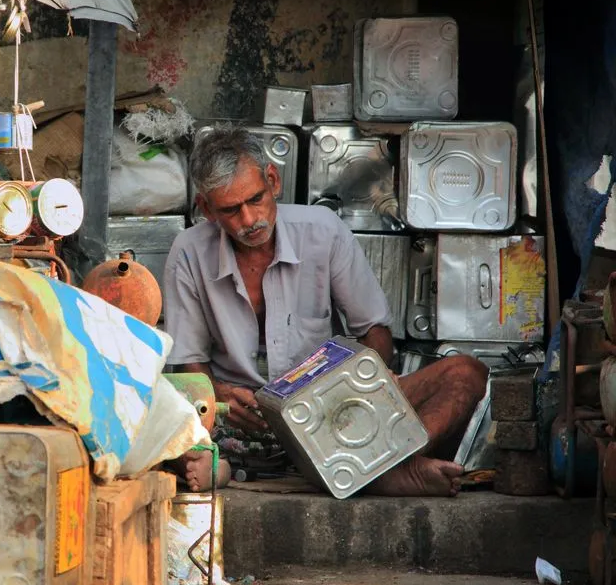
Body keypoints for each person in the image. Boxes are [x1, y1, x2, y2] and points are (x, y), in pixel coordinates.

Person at [164, 124, 488, 497]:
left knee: (466, 372)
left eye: (255, 199)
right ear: (206, 209)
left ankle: (400, 462)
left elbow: (375, 333)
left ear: (273, 180)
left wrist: (361, 384)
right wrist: (220, 395)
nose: (250, 220)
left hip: (332, 411)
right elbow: (189, 364)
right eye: (231, 210)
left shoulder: (323, 230)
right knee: (161, 406)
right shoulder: (188, 252)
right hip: (241, 424)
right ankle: (368, 470)